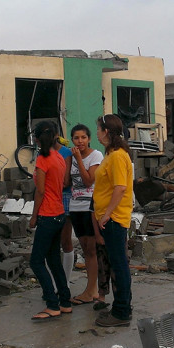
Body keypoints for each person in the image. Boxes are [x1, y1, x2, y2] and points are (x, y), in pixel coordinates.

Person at [93, 114, 134, 327]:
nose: (96, 133)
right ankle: (123, 306)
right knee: (119, 264)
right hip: (109, 217)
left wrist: (107, 214)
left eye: (98, 129)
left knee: (119, 265)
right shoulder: (112, 154)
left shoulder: (118, 156)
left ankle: (121, 311)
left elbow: (120, 187)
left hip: (115, 219)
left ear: (106, 131)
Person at [29, 121, 71, 321]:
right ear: (55, 136)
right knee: (53, 259)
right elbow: (62, 184)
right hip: (60, 213)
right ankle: (65, 301)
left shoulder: (42, 159)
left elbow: (40, 191)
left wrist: (34, 215)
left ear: (37, 139)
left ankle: (52, 304)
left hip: (47, 214)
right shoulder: (60, 157)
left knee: (36, 261)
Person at [67, 124, 103, 305]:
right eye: (76, 138)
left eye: (83, 137)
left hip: (90, 207)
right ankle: (93, 289)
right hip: (75, 207)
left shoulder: (96, 155)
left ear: (89, 139)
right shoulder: (71, 157)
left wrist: (78, 159)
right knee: (86, 249)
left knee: (91, 250)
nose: (79, 141)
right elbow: (67, 181)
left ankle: (91, 290)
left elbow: (89, 181)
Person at [50, 124, 75, 286]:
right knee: (51, 243)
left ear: (56, 135)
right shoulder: (43, 153)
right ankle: (53, 282)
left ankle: (64, 281)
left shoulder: (66, 153)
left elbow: (66, 181)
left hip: (64, 198)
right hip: (49, 200)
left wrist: (47, 183)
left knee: (65, 240)